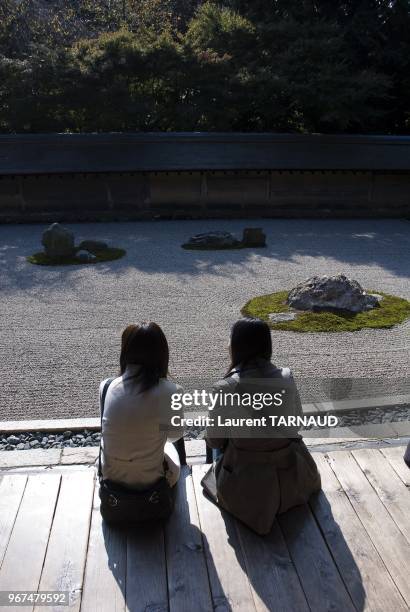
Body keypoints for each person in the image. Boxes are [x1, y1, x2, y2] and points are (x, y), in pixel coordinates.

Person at [202, 318, 321, 535]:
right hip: (292, 477)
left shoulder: (224, 388)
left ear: (236, 346)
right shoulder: (286, 376)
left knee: (216, 437)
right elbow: (297, 422)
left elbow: (214, 441)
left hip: (248, 485)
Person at [100, 322, 184, 491]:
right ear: (161, 353)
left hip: (112, 482)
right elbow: (175, 435)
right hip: (151, 485)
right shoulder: (171, 391)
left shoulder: (106, 386)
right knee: (172, 445)